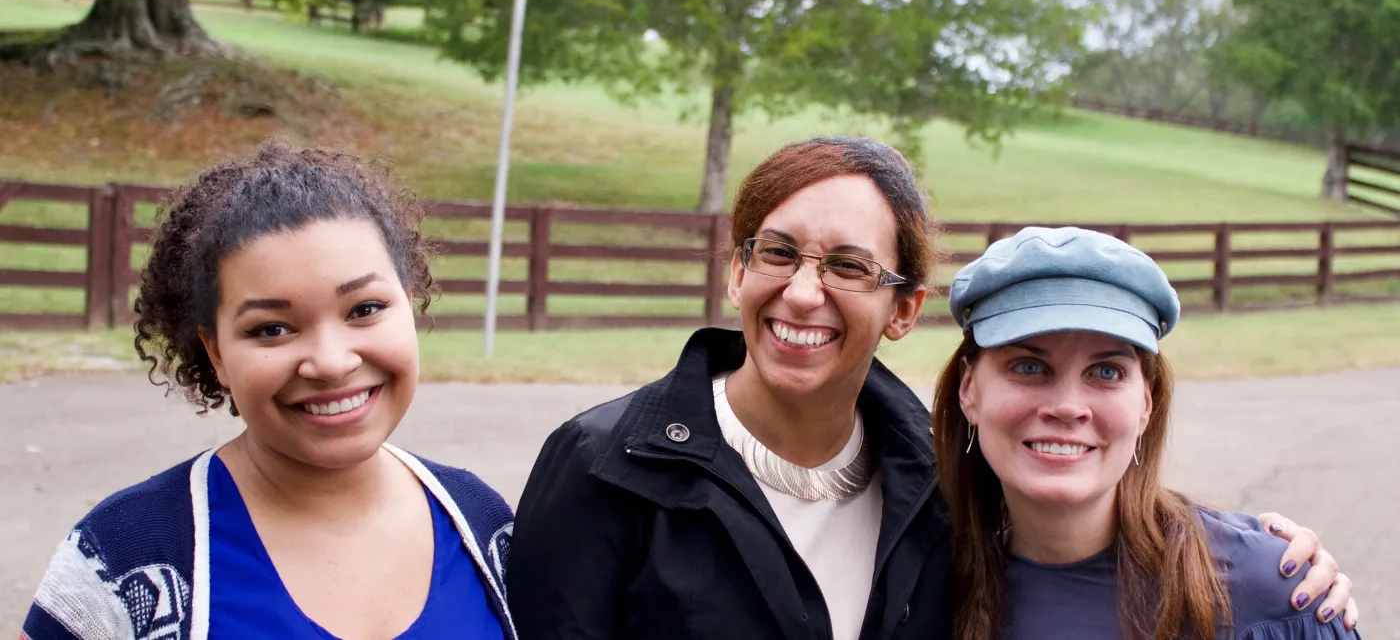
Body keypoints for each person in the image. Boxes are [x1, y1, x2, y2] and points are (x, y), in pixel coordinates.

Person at [506, 136, 1356, 640]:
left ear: (904, 307)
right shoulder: (606, 466)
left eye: (847, 265)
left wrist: (1282, 574)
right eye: (778, 252)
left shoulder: (929, 503)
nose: (805, 291)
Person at [22, 141, 516, 640]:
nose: (330, 362)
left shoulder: (483, 523)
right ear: (216, 354)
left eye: (364, 309)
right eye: (271, 329)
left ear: (408, 307)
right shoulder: (121, 557)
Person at [932, 225, 1360, 639]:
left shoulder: (1266, 595)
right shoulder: (920, 591)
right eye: (1029, 367)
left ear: (1145, 404)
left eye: (1105, 371)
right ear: (969, 389)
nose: (1067, 407)